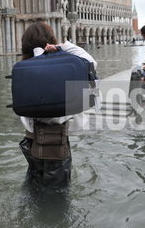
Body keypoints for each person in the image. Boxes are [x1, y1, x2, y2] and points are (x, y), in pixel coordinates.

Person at [18, 21, 97, 188]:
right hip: (55, 143)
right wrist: (63, 47)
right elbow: (91, 63)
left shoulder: (22, 69)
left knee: (34, 187)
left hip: (31, 141)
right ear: (51, 40)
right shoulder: (64, 69)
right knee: (57, 196)